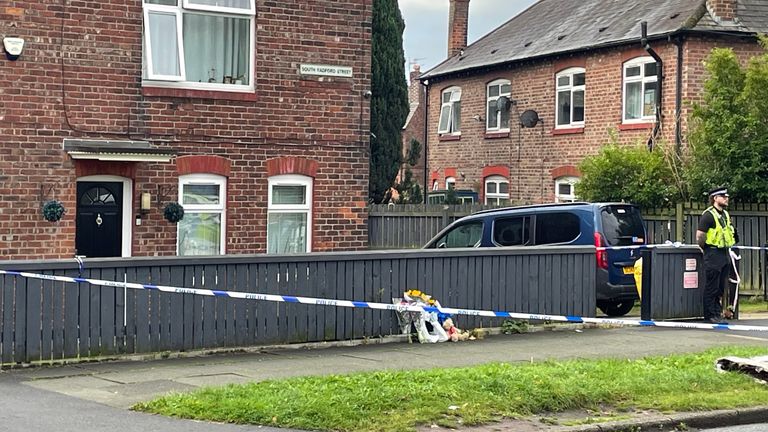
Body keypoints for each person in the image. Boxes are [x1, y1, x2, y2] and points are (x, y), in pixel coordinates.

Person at [696, 186, 738, 324]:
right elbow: (700, 237)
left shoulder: (725, 214)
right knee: (711, 287)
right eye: (723, 196)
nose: (727, 199)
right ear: (715, 198)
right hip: (713, 253)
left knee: (720, 287)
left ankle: (717, 313)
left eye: (727, 196)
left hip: (724, 253)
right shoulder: (708, 215)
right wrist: (707, 250)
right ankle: (710, 315)